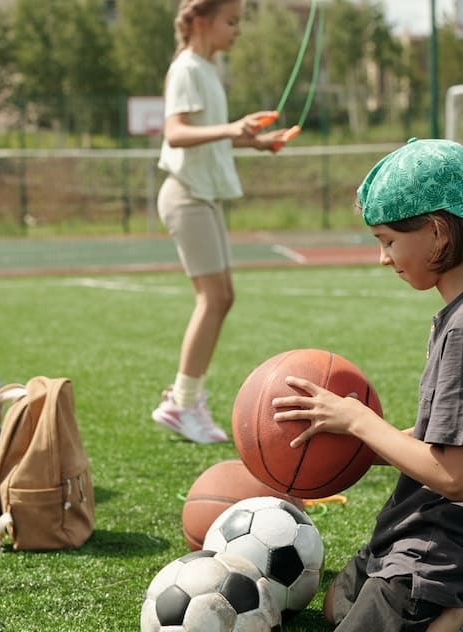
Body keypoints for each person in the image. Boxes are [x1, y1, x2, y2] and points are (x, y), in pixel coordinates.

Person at [270, 139, 463, 632]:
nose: (383, 258)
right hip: (421, 521)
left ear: (438, 233)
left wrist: (357, 420)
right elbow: (442, 440)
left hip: (449, 542)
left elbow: (457, 476)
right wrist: (337, 451)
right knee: (337, 607)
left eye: (388, 240)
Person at [151, 0, 292, 444]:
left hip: (203, 195)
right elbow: (175, 133)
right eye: (231, 21)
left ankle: (185, 397)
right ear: (200, 21)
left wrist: (256, 142)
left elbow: (209, 139)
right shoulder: (186, 68)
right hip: (186, 195)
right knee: (213, 298)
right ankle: (181, 402)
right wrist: (232, 129)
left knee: (221, 297)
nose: (238, 30)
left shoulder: (208, 70)